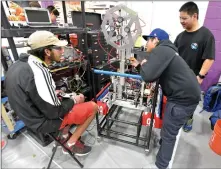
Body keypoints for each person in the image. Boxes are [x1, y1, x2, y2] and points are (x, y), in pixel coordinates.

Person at [5, 31, 108, 156]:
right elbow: (55, 112)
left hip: (30, 117)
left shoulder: (20, 65)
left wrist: (55, 93)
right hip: (43, 121)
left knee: (68, 98)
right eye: (58, 48)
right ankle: (71, 144)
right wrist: (75, 99)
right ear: (47, 52)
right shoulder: (40, 71)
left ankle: (64, 135)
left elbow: (31, 92)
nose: (63, 51)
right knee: (92, 106)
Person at [130, 28, 201, 169]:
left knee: (169, 135)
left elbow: (149, 76)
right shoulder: (169, 51)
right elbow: (156, 72)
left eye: (148, 40)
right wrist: (141, 66)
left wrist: (141, 65)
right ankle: (164, 150)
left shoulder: (161, 50)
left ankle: (161, 165)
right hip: (187, 96)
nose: (146, 44)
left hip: (181, 100)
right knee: (168, 131)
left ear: (155, 40)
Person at [174, 1, 215, 132]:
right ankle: (177, 119)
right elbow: (174, 54)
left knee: (189, 103)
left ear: (194, 16)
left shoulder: (206, 35)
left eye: (184, 18)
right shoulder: (180, 36)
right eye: (180, 18)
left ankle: (188, 119)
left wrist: (200, 76)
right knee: (176, 101)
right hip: (178, 77)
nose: (181, 21)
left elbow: (209, 58)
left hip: (193, 79)